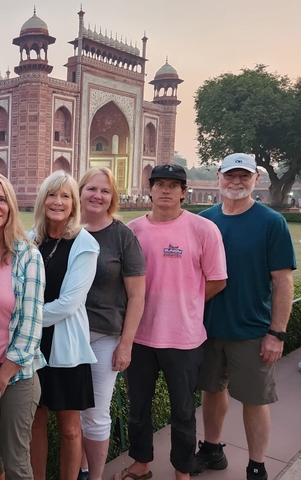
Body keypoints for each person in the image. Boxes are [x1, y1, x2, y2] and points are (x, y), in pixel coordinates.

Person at [119, 164, 227, 480]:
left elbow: (217, 280)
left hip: (184, 337)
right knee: (139, 408)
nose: (166, 190)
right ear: (149, 189)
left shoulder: (203, 229)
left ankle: (183, 468)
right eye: (160, 184)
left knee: (182, 410)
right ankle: (141, 463)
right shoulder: (132, 231)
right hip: (140, 336)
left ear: (184, 192)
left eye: (174, 185)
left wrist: (187, 302)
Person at [195, 153, 296, 480]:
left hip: (251, 330)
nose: (236, 182)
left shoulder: (270, 222)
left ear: (256, 180)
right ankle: (212, 449)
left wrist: (276, 333)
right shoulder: (205, 220)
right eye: (230, 176)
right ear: (218, 178)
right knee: (211, 390)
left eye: (244, 176)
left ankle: (257, 464)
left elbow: (282, 280)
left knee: (254, 400)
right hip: (207, 328)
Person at [0, 172, 46, 480]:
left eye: (1, 199)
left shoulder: (27, 255)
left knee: (16, 463)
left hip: (15, 376)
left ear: (11, 206)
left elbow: (30, 327)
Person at [28, 170, 100, 480]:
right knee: (35, 421)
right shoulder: (30, 240)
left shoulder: (83, 243)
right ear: (43, 200)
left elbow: (70, 303)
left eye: (65, 196)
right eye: (52, 195)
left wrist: (26, 320)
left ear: (74, 204)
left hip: (64, 345)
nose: (58, 202)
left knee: (70, 427)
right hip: (31, 346)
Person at [77, 167, 146, 480]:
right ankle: (77, 470)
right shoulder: (64, 230)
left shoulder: (122, 236)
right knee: (69, 413)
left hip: (105, 336)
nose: (97, 196)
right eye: (91, 189)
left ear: (112, 198)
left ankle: (94, 475)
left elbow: (137, 295)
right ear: (80, 192)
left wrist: (126, 345)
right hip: (66, 335)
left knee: (95, 413)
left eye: (105, 191)